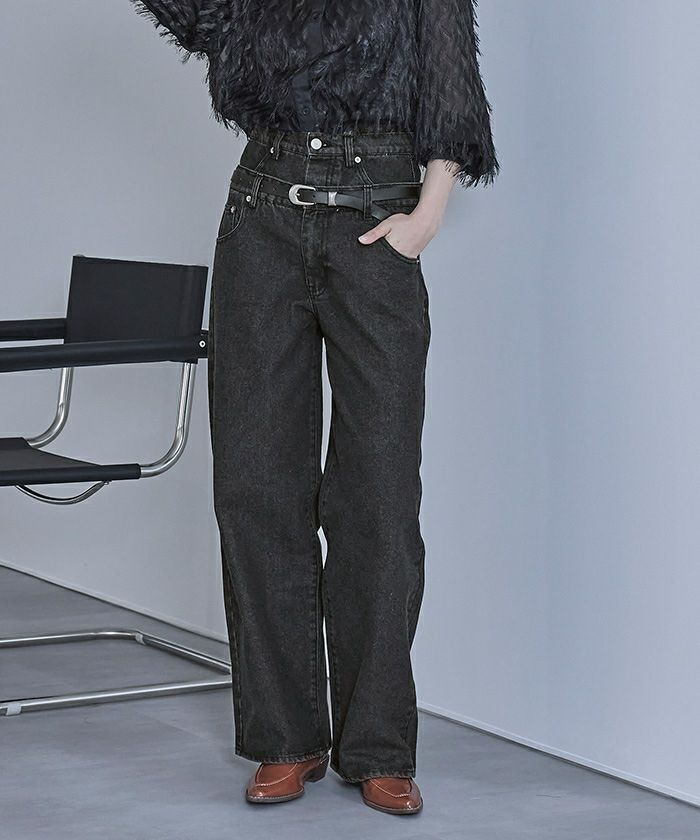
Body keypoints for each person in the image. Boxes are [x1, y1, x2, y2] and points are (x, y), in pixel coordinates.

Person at [130, 0, 498, 816]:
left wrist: (427, 217)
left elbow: (451, 91)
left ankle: (378, 746)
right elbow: (202, 20)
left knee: (380, 497)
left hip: (377, 219)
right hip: (261, 214)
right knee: (255, 486)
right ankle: (284, 738)